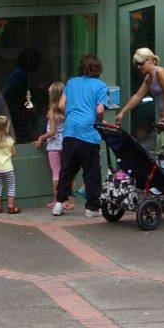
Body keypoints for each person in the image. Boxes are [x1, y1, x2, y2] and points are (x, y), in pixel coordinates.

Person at [51, 54, 109, 217]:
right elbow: (100, 110)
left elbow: (61, 105)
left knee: (67, 170)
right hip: (88, 132)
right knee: (91, 172)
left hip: (70, 130)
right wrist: (100, 121)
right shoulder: (100, 86)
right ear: (98, 69)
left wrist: (72, 113)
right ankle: (92, 208)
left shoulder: (71, 82)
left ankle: (59, 204)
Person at [32, 80, 77, 210]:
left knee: (56, 174)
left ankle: (57, 201)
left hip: (54, 146)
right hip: (66, 143)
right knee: (68, 173)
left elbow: (52, 132)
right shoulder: (68, 109)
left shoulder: (52, 112)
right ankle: (70, 201)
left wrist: (41, 138)